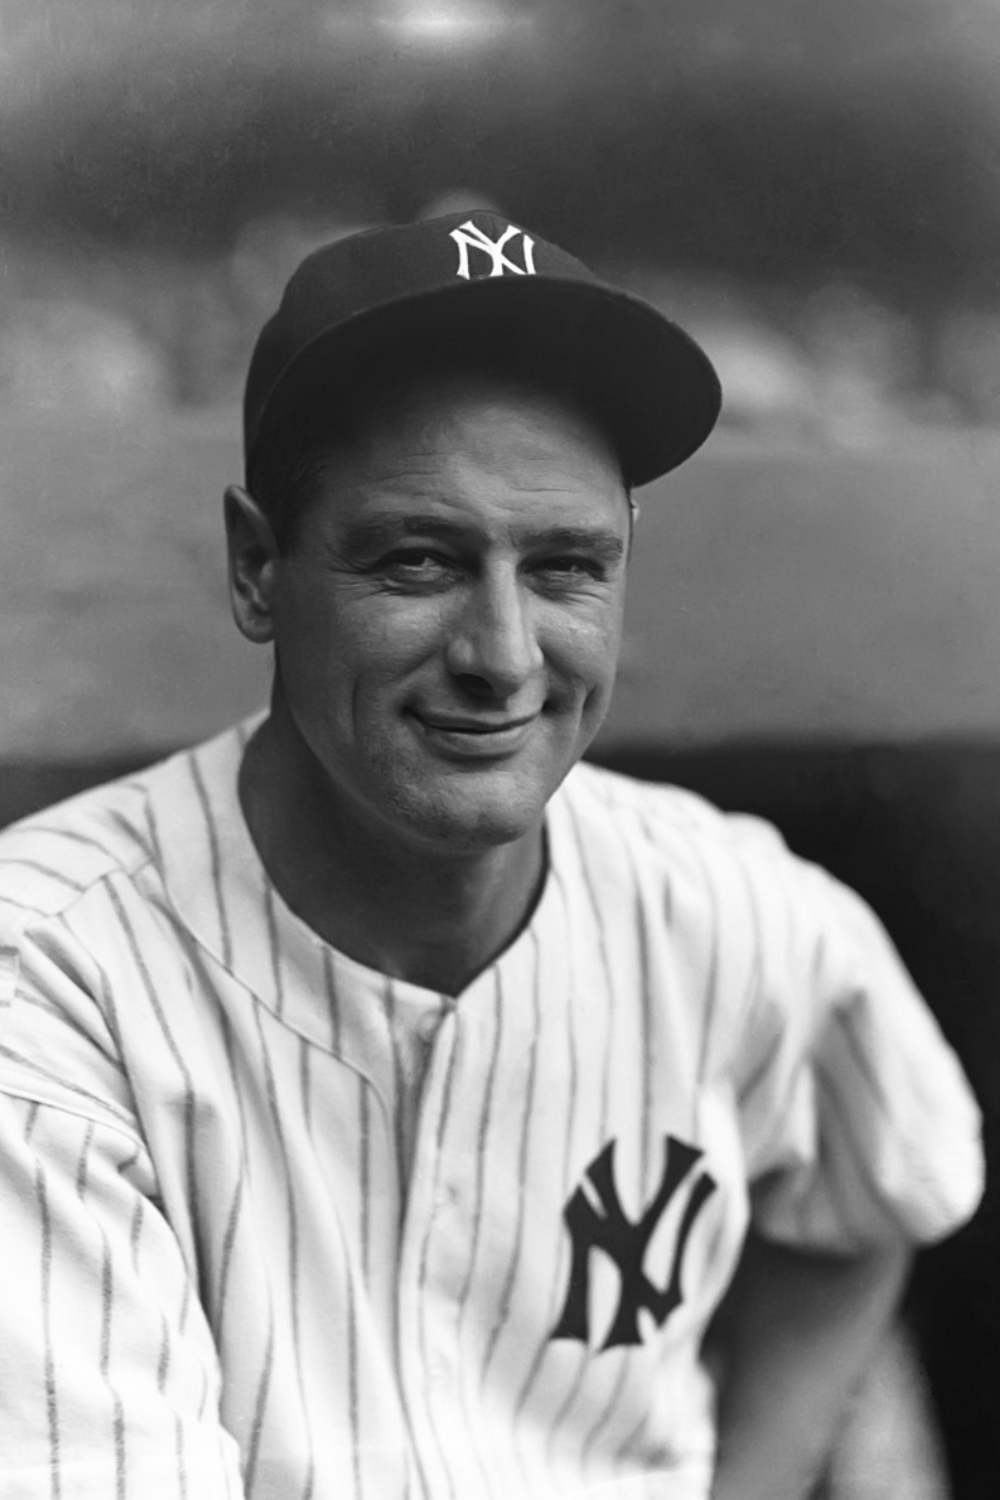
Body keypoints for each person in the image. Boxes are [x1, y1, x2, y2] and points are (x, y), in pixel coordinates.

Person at [0, 209, 983, 1500]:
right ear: (256, 568)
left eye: (568, 567)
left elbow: (880, 1189)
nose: (505, 655)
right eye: (420, 559)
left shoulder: (732, 911)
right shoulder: (51, 984)